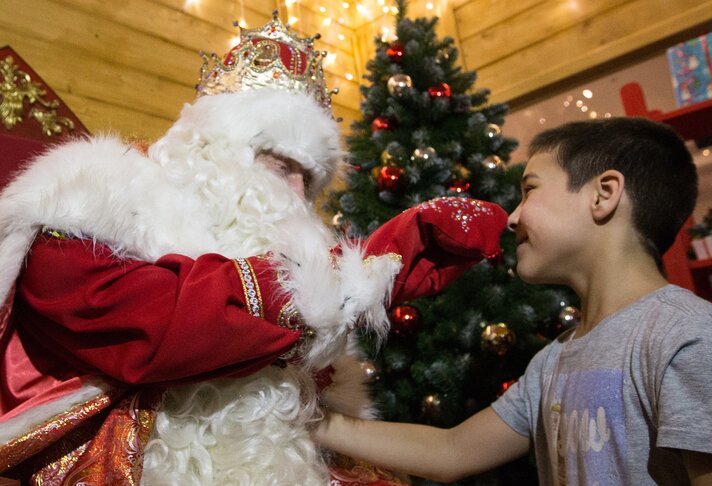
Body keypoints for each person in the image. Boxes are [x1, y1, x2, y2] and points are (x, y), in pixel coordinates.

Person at [0, 12, 508, 485]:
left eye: (308, 181)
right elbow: (157, 329)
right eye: (281, 165)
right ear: (213, 148)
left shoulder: (280, 287)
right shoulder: (94, 201)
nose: (294, 196)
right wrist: (346, 275)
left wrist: (363, 274)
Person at [315, 117, 712, 485]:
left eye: (530, 189)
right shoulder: (554, 360)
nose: (512, 218)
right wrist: (309, 420)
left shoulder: (688, 339)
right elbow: (453, 451)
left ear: (604, 194)